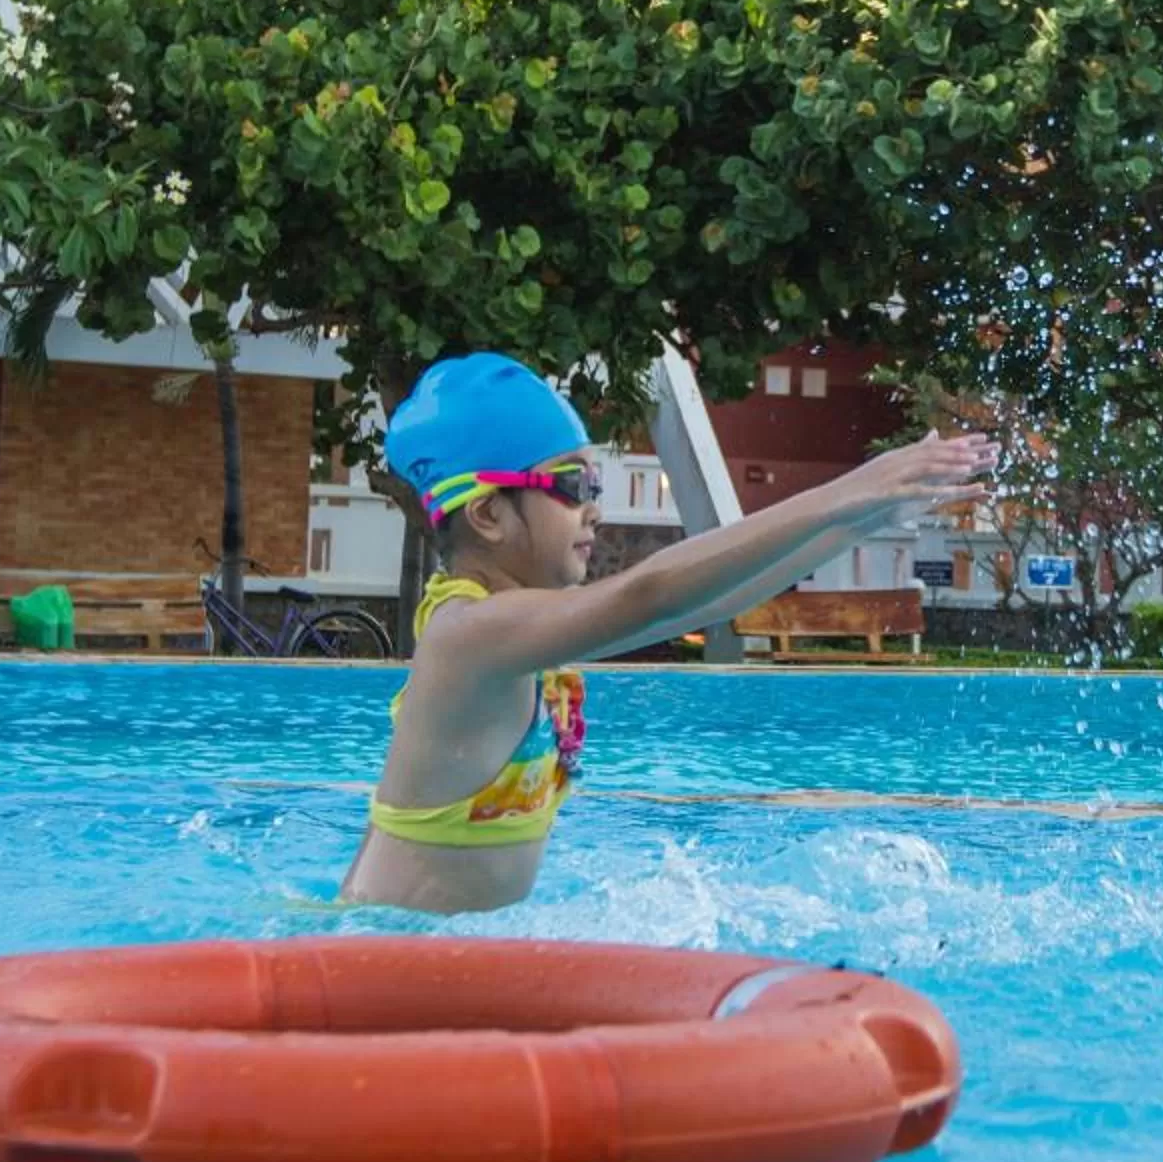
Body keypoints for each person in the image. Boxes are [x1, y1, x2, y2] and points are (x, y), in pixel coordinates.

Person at [341, 352, 995, 914]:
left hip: (438, 954)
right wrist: (845, 491)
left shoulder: (519, 628)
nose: (595, 507)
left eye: (595, 482)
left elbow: (706, 604)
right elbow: (649, 594)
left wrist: (857, 524)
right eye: (573, 485)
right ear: (488, 514)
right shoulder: (466, 633)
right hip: (375, 956)